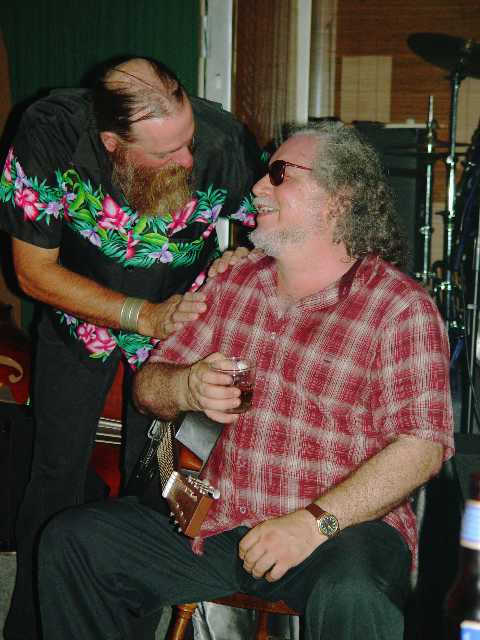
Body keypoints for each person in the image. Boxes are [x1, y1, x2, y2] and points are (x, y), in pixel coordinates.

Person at [38, 121, 454, 640]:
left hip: (342, 531)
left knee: (354, 592)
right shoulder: (233, 280)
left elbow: (422, 447)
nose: (257, 187)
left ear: (338, 198)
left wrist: (313, 523)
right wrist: (186, 386)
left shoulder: (399, 307)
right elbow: (147, 388)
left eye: (279, 174)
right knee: (77, 541)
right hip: (223, 522)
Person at [0, 56, 262, 640]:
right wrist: (140, 315)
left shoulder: (222, 142)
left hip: (177, 330)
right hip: (79, 318)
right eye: (167, 153)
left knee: (156, 485)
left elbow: (269, 226)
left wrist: (244, 260)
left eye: (188, 142)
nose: (187, 160)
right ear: (112, 144)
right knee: (54, 476)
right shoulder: (51, 135)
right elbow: (32, 272)